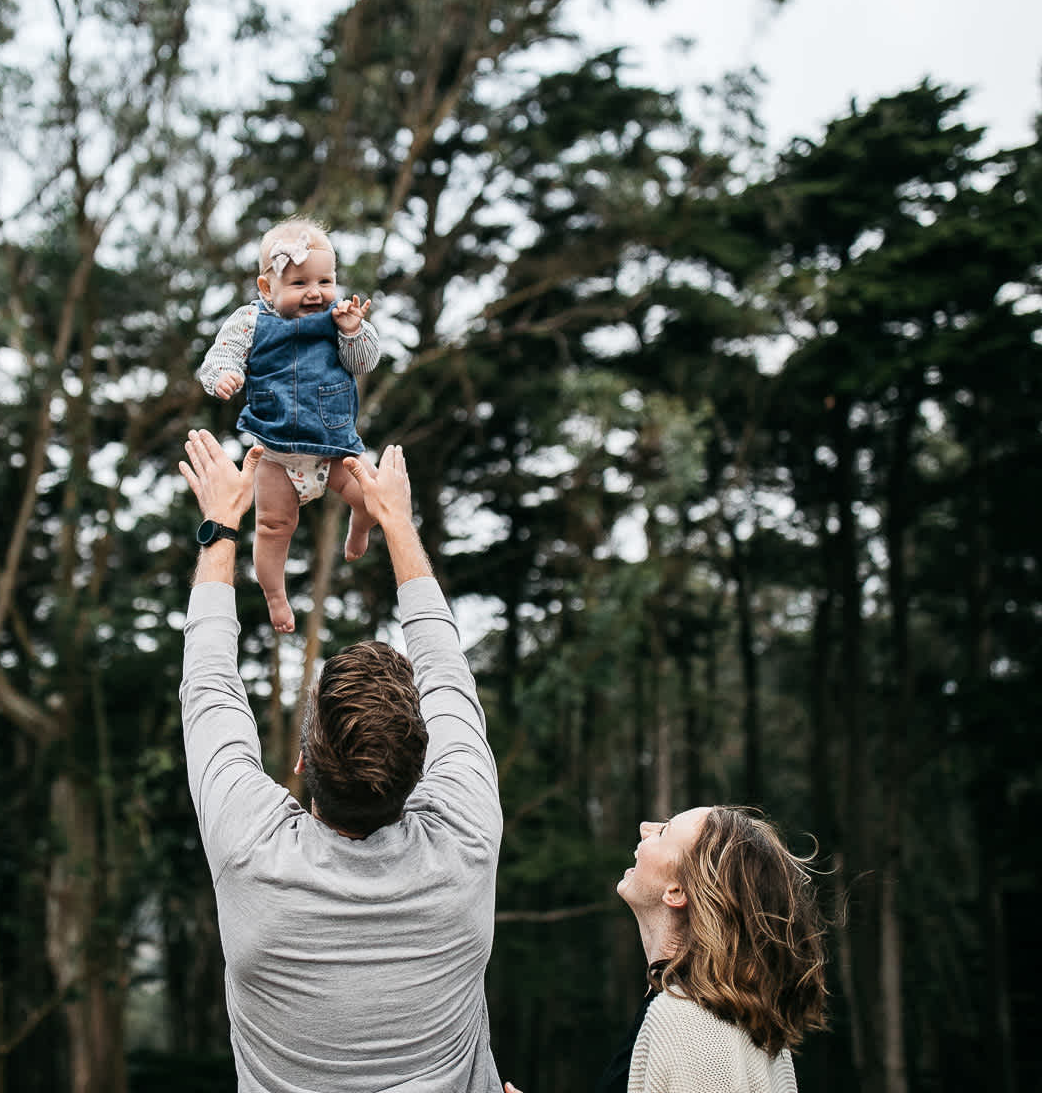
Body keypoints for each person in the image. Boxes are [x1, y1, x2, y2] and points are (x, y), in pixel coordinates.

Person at [177, 429, 504, 1093]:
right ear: (422, 773)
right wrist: (397, 524)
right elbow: (444, 666)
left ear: (301, 764)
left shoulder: (249, 851)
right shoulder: (465, 839)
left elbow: (210, 682)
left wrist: (221, 525)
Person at [508, 806, 829, 1093]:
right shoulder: (723, 1017)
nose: (645, 827)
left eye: (663, 832)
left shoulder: (690, 1024)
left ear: (676, 891)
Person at [196, 217, 381, 634]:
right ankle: (275, 596)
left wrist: (354, 333)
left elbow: (364, 362)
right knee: (273, 527)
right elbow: (219, 357)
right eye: (299, 284)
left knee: (375, 498)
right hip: (275, 453)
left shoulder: (341, 318)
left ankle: (361, 523)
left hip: (333, 447)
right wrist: (223, 375)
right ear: (267, 289)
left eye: (325, 280)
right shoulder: (249, 321)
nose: (315, 292)